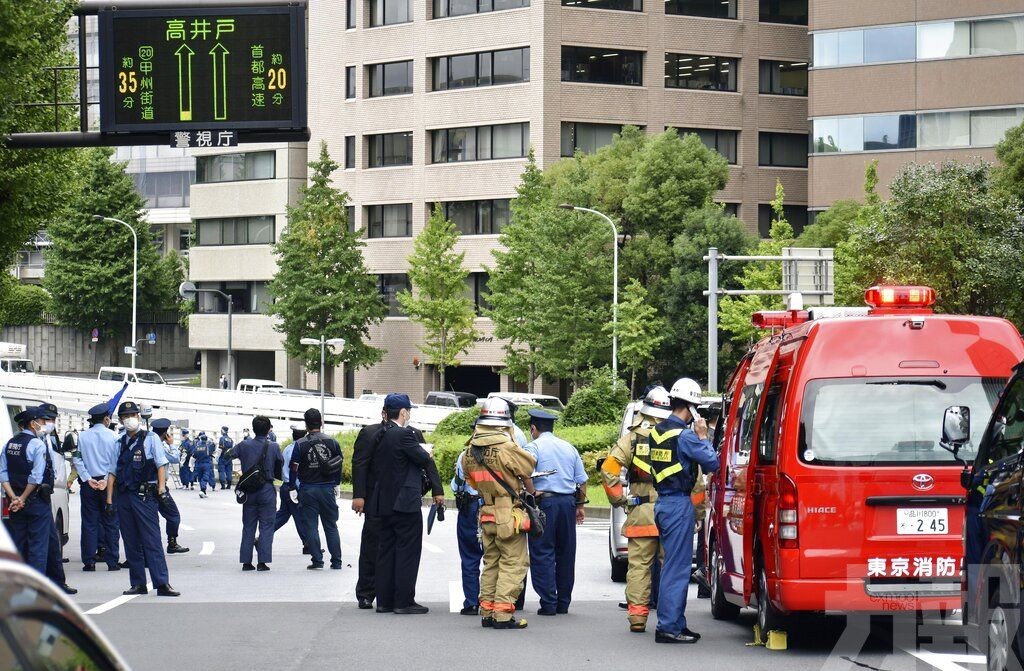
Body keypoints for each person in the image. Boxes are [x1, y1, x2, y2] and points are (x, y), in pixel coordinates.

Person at [649, 378, 719, 644]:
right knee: (676, 569)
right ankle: (668, 626)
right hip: (678, 504)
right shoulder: (686, 435)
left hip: (663, 502)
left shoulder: (657, 432)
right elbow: (712, 462)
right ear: (692, 409)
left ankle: (676, 622)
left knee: (672, 566)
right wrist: (703, 437)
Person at [459, 398, 537, 629]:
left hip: (486, 512)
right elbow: (528, 468)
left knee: (491, 563)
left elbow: (470, 479)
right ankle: (503, 615)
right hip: (507, 513)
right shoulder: (507, 446)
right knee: (513, 563)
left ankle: (487, 612)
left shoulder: (470, 451)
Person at [600, 386, 671, 632]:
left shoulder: (632, 438)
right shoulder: (678, 435)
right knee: (671, 566)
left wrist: (619, 500)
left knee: (639, 567)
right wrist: (696, 514)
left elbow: (608, 469)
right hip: (671, 512)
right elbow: (694, 479)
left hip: (641, 513)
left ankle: (638, 619)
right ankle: (670, 618)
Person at [366, 393, 443, 615]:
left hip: (383, 502)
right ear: (403, 412)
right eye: (408, 410)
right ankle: (403, 601)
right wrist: (427, 453)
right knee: (407, 551)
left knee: (386, 551)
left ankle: (384, 601)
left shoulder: (379, 433)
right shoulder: (404, 435)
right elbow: (423, 459)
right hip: (404, 502)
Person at [107, 401, 180, 597]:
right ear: (121, 420)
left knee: (152, 540)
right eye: (125, 416)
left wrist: (162, 489)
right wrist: (109, 500)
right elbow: (112, 472)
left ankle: (162, 583)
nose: (130, 418)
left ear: (138, 417)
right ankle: (138, 582)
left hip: (145, 496)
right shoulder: (119, 442)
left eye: (133, 415)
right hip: (124, 496)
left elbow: (161, 465)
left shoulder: (151, 438)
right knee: (130, 541)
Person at [0, 407, 77, 594]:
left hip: (16, 502)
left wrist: (14, 498)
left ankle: (56, 583)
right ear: (33, 422)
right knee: (38, 548)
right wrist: (23, 498)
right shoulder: (37, 445)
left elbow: (3, 474)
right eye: (43, 421)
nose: (45, 424)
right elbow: (36, 476)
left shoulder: (10, 444)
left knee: (40, 542)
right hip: (34, 501)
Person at [524, 409, 588, 616]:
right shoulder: (568, 447)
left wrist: (532, 493)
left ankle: (549, 602)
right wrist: (579, 506)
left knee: (542, 551)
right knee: (566, 553)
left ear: (534, 428)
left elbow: (524, 472)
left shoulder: (533, 447)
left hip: (545, 504)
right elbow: (582, 479)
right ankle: (563, 602)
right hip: (568, 504)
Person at [292, 408, 343, 570]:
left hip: (308, 489)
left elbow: (293, 468)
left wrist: (293, 487)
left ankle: (317, 560)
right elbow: (339, 464)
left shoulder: (300, 445)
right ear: (321, 423)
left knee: (311, 526)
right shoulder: (332, 442)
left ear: (306, 424)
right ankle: (336, 562)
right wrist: (337, 483)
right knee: (331, 526)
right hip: (327, 489)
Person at [74, 402, 123, 572]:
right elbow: (117, 462)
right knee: (111, 522)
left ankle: (89, 561)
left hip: (89, 484)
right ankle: (112, 561)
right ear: (106, 419)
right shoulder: (114, 437)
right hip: (108, 483)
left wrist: (88, 478)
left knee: (89, 522)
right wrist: (106, 480)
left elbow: (77, 459)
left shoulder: (82, 436)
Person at [351, 408, 388, 610]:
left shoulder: (413, 433)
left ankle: (390, 592)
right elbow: (360, 464)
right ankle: (365, 593)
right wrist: (359, 495)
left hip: (400, 501)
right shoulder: (369, 433)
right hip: (374, 499)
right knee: (371, 547)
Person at [236, 416, 284, 571]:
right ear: (269, 428)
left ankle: (246, 562)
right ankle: (262, 562)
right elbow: (280, 465)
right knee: (267, 526)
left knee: (248, 525)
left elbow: (227, 455)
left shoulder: (244, 444)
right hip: (267, 489)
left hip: (249, 490)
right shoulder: (274, 446)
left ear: (253, 428)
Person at [34, 404, 74, 587]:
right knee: (40, 544)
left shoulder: (47, 439)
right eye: (46, 420)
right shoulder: (34, 442)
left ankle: (58, 583)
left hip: (47, 492)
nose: (50, 423)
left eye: (52, 419)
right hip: (35, 496)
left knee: (51, 541)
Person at [150, 419, 190, 555]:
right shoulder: (160, 446)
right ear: (165, 433)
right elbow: (175, 458)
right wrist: (172, 444)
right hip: (159, 487)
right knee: (173, 516)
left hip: (146, 485)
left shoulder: (146, 441)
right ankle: (171, 543)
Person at [452, 455, 483, 616]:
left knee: (470, 555)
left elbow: (457, 485)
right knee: (497, 556)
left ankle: (472, 603)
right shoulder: (504, 451)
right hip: (498, 507)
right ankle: (495, 602)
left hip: (470, 506)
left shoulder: (466, 455)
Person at [274, 424, 310, 554]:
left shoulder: (287, 448)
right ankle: (308, 544)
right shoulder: (300, 449)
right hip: (294, 487)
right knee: (300, 516)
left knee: (283, 515)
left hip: (285, 486)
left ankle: (262, 537)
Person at [192, 432, 215, 497]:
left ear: (201, 439)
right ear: (206, 440)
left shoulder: (197, 447)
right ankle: (203, 490)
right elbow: (214, 447)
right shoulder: (208, 447)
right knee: (205, 477)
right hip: (206, 464)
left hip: (199, 464)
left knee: (200, 477)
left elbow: (194, 455)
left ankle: (203, 491)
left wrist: (191, 465)